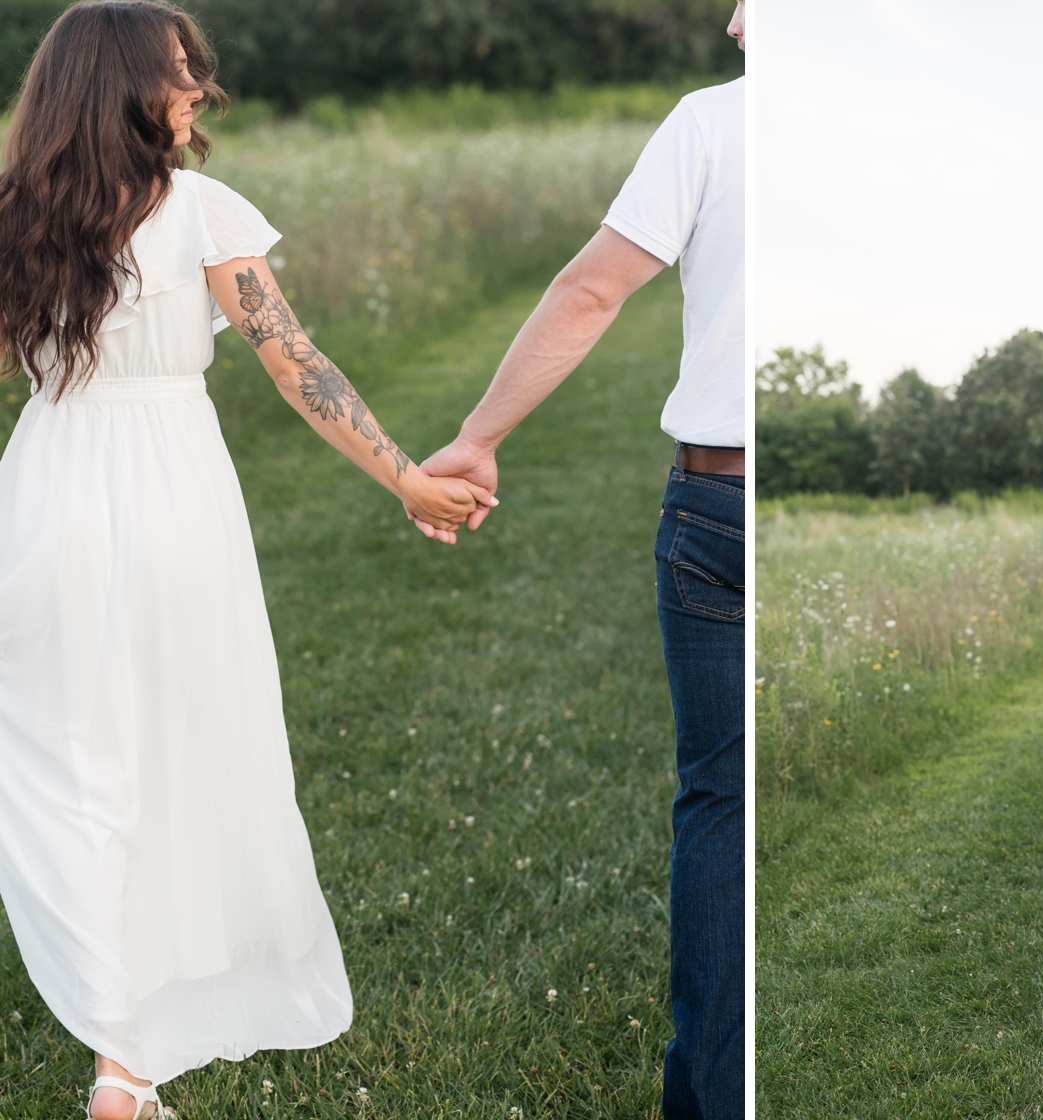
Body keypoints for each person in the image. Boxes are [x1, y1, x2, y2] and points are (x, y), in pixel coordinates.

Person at [0, 5, 488, 1118]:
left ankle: (121, 1049)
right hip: (172, 498)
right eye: (178, 77)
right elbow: (293, 363)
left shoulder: (15, 220)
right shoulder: (201, 215)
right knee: (175, 751)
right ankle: (124, 1069)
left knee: (71, 767)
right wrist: (407, 475)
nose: (197, 93)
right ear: (122, 89)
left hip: (44, 496)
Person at [410, 5, 746, 1114]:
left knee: (719, 798)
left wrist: (480, 436)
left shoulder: (710, 123)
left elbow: (592, 287)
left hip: (722, 496)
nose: (731, 15)